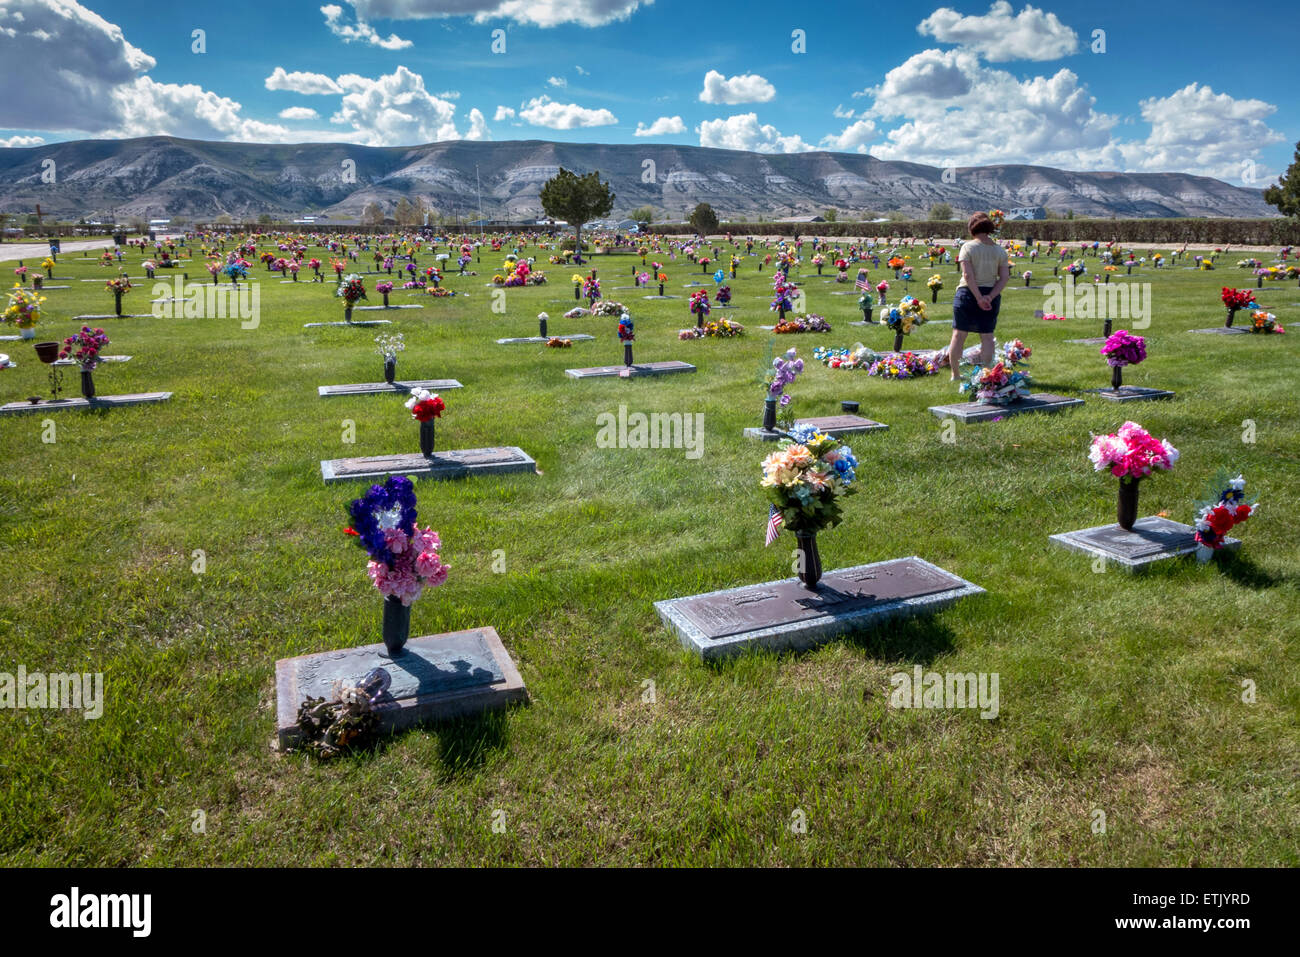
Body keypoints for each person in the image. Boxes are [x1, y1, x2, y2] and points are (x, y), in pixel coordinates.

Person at [939, 211, 1009, 381]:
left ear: (972, 228)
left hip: (968, 294)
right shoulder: (1000, 251)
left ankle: (955, 374)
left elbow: (968, 276)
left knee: (959, 334)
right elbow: (1004, 277)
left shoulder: (968, 247)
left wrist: (978, 297)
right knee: (987, 336)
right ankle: (986, 374)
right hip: (990, 294)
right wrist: (989, 297)